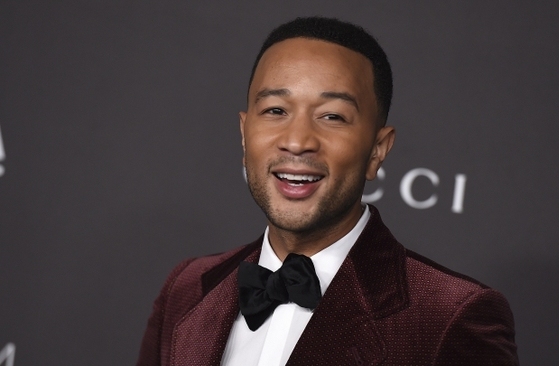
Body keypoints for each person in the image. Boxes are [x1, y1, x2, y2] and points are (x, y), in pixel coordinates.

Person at [137, 16, 519, 366]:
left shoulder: (450, 316)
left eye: (332, 116)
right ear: (243, 133)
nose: (298, 141)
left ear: (377, 150)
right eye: (275, 110)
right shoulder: (187, 289)